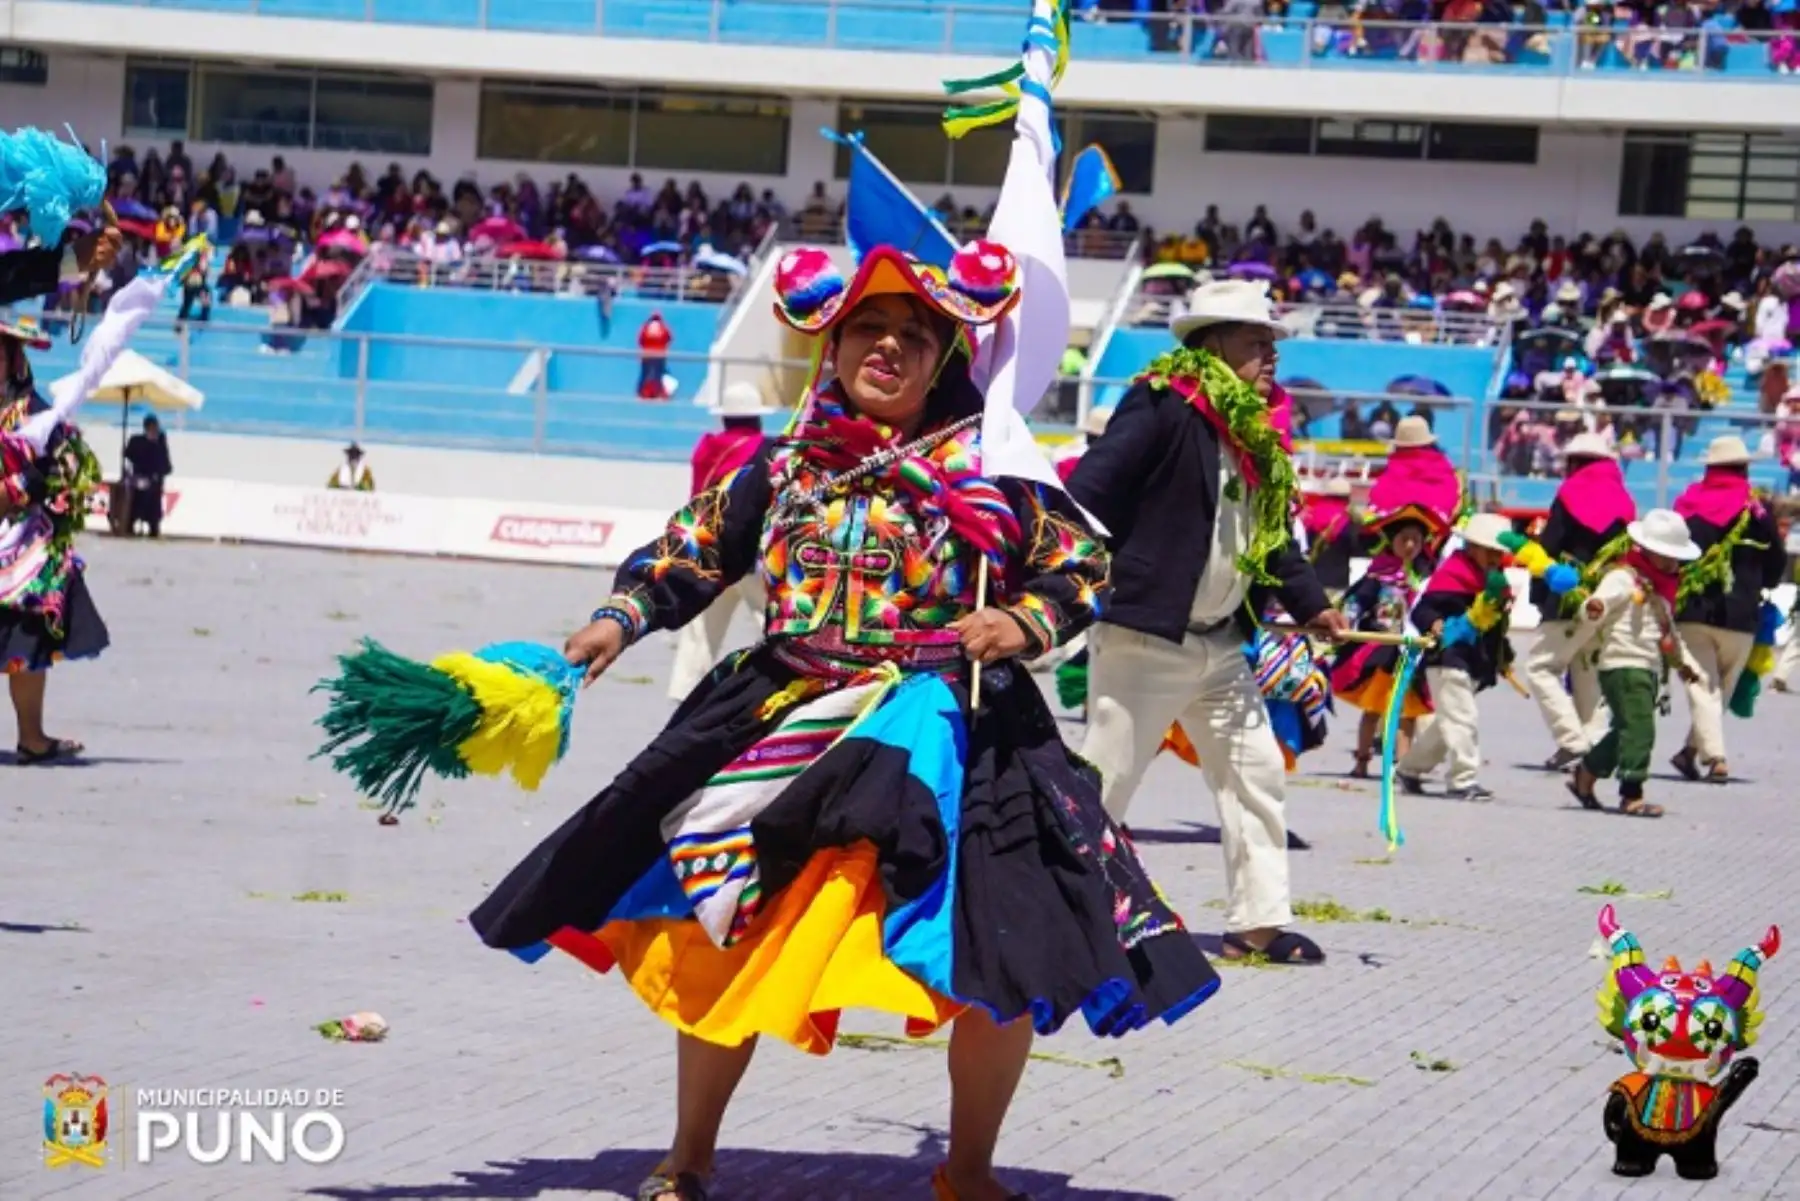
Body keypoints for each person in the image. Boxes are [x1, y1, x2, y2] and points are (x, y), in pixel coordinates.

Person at [470, 242, 1218, 1201]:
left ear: (947, 352)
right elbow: (693, 550)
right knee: (719, 924)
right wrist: (616, 621)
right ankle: (688, 1155)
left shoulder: (993, 467)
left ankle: (971, 1172)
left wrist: (1019, 619)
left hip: (951, 726)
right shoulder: (779, 467)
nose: (889, 347)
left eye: (915, 333)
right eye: (868, 327)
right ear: (831, 344)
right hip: (781, 714)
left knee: (1004, 946)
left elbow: (1081, 567)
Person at [1067, 279, 1348, 968]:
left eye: (1273, 340)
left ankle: (1256, 923)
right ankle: (1063, 913)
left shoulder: (1253, 431)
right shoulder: (1162, 405)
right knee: (1103, 781)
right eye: (1257, 339)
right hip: (1144, 639)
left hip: (1221, 643)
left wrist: (1312, 605)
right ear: (1211, 343)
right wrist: (1061, 574)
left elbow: (1272, 536)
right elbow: (1088, 491)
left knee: (1256, 774)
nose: (1271, 352)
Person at [1566, 509, 1702, 820]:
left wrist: (1682, 663)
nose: (1671, 563)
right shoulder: (1623, 578)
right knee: (1640, 728)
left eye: (1675, 557)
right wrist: (1595, 608)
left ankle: (1585, 775)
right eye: (1664, 555)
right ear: (1647, 550)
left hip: (1647, 666)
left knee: (1627, 728)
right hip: (1623, 662)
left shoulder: (1663, 588)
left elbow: (1668, 631)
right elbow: (1597, 603)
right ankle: (1631, 794)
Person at [1668, 436, 1788, 784]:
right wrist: (1760, 583)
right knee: (1718, 690)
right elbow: (1776, 558)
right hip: (1742, 615)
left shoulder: (1688, 504)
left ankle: (1705, 754)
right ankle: (1700, 754)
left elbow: (1668, 552)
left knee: (1702, 686)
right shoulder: (1757, 509)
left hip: (1693, 610)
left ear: (1709, 468)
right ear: (1744, 468)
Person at [1522, 431, 1636, 769]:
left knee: (1541, 666)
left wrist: (1538, 596)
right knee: (1587, 671)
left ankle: (1571, 741)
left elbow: (1548, 549)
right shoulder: (1624, 500)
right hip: (1606, 596)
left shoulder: (1570, 493)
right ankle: (1593, 751)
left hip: (1569, 594)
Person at [665, 382, 776, 701]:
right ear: (756, 417)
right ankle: (775, 684)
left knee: (701, 628)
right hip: (750, 553)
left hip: (708, 550)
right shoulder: (765, 449)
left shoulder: (705, 448)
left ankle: (684, 691)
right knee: (771, 619)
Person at [1396, 512, 1517, 802]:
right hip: (1446, 658)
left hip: (1474, 661)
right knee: (1463, 718)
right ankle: (1463, 780)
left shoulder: (1495, 581)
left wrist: (1504, 657)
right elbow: (1422, 610)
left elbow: (1495, 625)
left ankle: (1410, 769)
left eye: (1498, 552)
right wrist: (1435, 623)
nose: (1494, 557)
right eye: (1489, 550)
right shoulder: (1453, 573)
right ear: (1473, 547)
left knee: (1446, 724)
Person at [1331, 516, 1433, 777]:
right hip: (1383, 648)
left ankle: (1402, 766)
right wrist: (1344, 625)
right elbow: (1356, 603)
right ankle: (1362, 761)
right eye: (1404, 539)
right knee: (1374, 709)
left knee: (1407, 712)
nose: (1410, 545)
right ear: (1392, 541)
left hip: (1411, 651)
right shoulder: (1379, 575)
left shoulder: (1423, 578)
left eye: (1416, 540)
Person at [122, 415, 172, 537]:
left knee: (153, 504)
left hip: (155, 480)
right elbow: (129, 455)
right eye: (152, 427)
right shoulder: (137, 441)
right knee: (138, 500)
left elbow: (164, 463)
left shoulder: (160, 441)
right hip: (140, 478)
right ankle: (131, 524)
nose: (155, 429)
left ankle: (153, 527)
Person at [637, 310, 673, 400]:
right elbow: (669, 338)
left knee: (647, 375)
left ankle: (646, 394)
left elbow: (640, 340)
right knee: (658, 375)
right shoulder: (663, 327)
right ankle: (659, 394)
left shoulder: (646, 327)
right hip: (660, 355)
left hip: (647, 355)